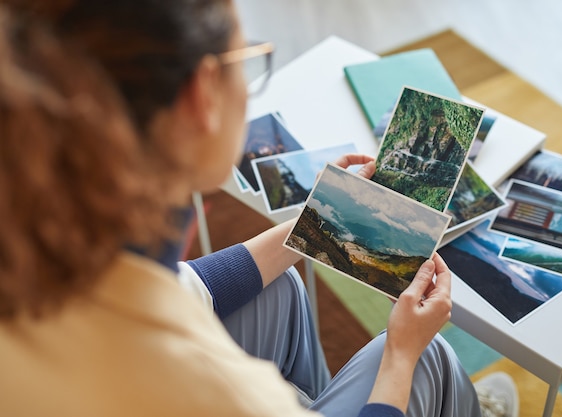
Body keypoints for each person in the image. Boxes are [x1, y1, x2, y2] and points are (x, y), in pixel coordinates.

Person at [0, 0, 519, 416]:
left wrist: (318, 221)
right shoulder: (220, 393)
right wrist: (402, 354)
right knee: (431, 361)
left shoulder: (45, 234)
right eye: (245, 61)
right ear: (202, 95)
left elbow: (185, 286)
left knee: (279, 288)